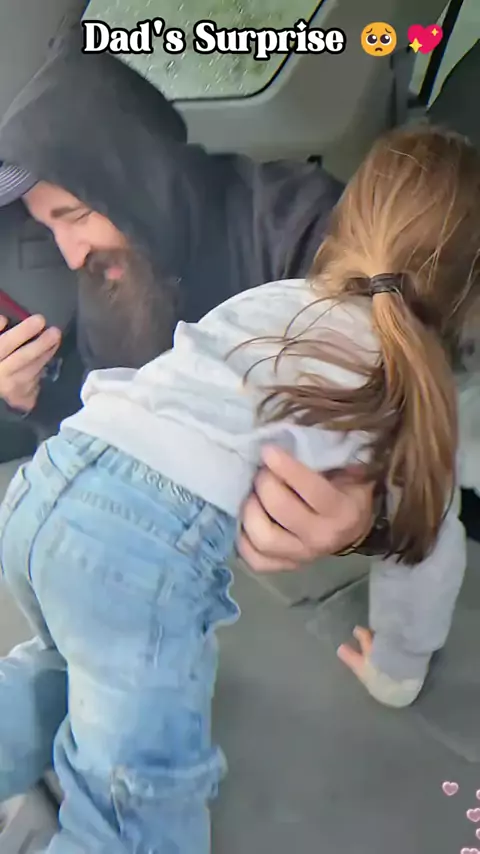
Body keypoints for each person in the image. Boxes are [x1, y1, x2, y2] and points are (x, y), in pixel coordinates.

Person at [0, 124, 477, 851]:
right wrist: (396, 669)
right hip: (135, 550)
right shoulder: (419, 387)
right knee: (138, 805)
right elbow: (427, 550)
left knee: (63, 662)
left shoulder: (278, 298)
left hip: (52, 481)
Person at [0, 28, 376, 569]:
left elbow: (410, 388)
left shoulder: (299, 225)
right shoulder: (110, 272)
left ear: (140, 179)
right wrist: (33, 397)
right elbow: (105, 409)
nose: (71, 253)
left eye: (76, 217)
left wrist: (367, 509)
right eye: (49, 227)